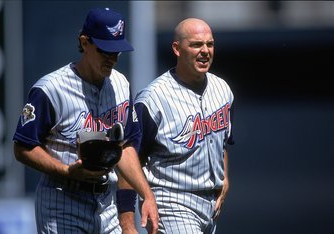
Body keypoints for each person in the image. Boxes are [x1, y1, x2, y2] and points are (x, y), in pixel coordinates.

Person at [13, 8, 158, 234]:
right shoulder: (51, 89)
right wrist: (65, 170)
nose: (112, 58)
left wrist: (146, 194)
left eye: (117, 51)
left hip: (105, 203)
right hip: (62, 199)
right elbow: (23, 147)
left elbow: (127, 147)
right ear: (85, 42)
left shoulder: (120, 85)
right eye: (105, 50)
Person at [135, 18, 235, 233]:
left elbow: (222, 142)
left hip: (211, 206)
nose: (205, 51)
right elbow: (130, 158)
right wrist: (129, 220)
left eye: (210, 44)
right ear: (177, 49)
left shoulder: (222, 89)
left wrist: (225, 177)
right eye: (196, 44)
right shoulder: (154, 98)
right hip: (171, 202)